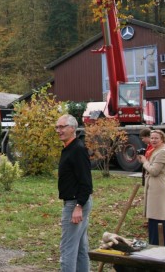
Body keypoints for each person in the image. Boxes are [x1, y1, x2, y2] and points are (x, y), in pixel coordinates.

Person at [56, 114, 93, 272]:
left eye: (62, 127)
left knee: (68, 249)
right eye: (57, 127)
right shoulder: (68, 148)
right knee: (80, 249)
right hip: (76, 202)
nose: (59, 130)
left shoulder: (77, 149)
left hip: (75, 204)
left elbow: (86, 182)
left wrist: (79, 206)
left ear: (72, 128)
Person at [137, 129, 165, 246]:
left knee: (158, 217)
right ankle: (154, 245)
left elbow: (154, 171)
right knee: (153, 218)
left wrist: (145, 161)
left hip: (158, 187)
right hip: (152, 186)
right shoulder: (155, 151)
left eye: (156, 138)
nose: (153, 140)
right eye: (152, 138)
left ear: (162, 139)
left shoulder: (162, 152)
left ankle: (160, 246)